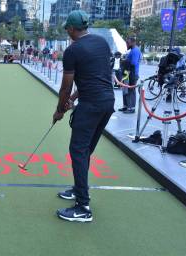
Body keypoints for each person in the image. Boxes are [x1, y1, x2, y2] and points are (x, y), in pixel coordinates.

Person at [52, 10, 115, 223]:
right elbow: (95, 77)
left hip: (91, 106)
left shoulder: (73, 50)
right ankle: (79, 189)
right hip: (107, 103)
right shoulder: (101, 43)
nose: (67, 33)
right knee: (85, 151)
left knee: (78, 151)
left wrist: (60, 108)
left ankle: (83, 207)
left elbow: (65, 85)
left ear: (71, 28)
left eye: (67, 29)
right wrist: (73, 99)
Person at [121, 37, 141, 113]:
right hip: (128, 73)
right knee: (125, 89)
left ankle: (131, 108)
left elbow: (133, 63)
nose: (127, 44)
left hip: (132, 74)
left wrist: (125, 61)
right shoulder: (132, 50)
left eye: (128, 43)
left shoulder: (135, 50)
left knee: (131, 90)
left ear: (133, 42)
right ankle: (126, 106)